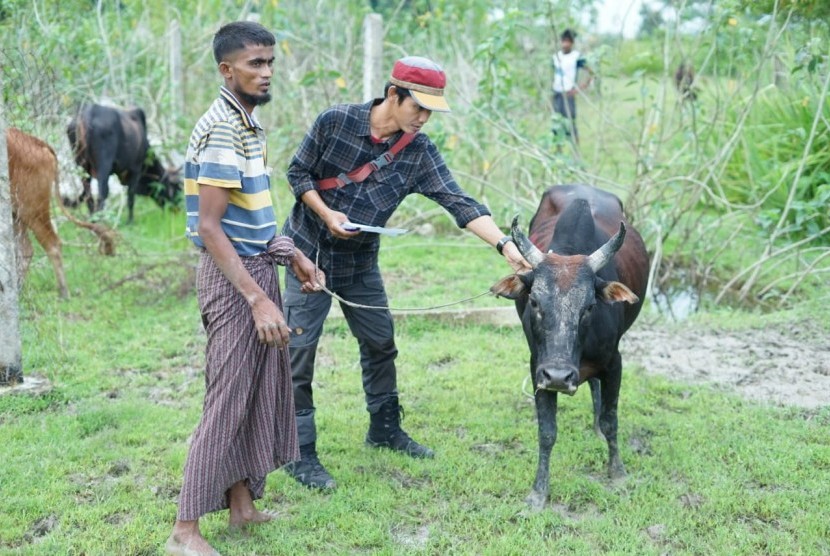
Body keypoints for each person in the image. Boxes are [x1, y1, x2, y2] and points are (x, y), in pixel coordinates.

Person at [280, 55, 531, 490]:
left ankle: (385, 430)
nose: (424, 118)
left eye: (432, 110)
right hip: (308, 257)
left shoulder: (418, 151)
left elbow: (459, 202)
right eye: (418, 106)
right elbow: (297, 173)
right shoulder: (335, 122)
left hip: (360, 263)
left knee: (381, 343)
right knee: (298, 355)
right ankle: (298, 453)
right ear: (393, 94)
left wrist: (505, 246)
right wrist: (326, 213)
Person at [166, 21, 324, 556]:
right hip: (234, 281)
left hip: (258, 268)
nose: (266, 72)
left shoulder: (247, 125)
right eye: (255, 63)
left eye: (270, 62)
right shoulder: (220, 128)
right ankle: (184, 530)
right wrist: (256, 298)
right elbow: (211, 230)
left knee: (257, 392)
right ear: (226, 69)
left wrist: (293, 253)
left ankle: (242, 507)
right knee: (228, 400)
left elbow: (250, 220)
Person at [551, 28, 594, 145]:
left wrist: (579, 89)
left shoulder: (576, 57)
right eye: (563, 41)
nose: (565, 44)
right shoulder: (556, 57)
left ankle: (575, 150)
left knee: (570, 122)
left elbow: (591, 72)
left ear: (572, 43)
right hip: (557, 93)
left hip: (569, 94)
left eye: (568, 41)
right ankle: (558, 150)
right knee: (556, 124)